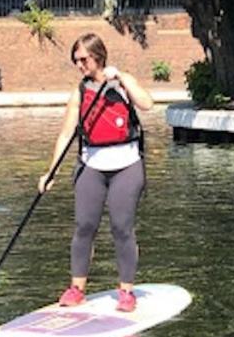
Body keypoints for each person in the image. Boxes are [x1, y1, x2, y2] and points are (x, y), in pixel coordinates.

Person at [41, 33, 154, 313]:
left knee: (121, 227)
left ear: (98, 57)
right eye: (75, 60)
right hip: (91, 165)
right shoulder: (80, 92)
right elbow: (67, 133)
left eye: (83, 59)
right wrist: (50, 172)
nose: (79, 65)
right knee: (84, 226)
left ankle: (126, 291)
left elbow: (147, 103)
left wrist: (124, 78)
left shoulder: (121, 84)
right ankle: (77, 289)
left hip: (126, 165)